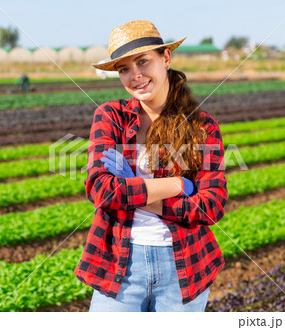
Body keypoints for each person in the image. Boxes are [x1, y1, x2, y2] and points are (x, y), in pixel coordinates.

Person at [74, 19, 229, 312]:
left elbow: (212, 206)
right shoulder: (111, 117)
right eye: (124, 68)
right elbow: (102, 192)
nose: (135, 76)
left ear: (166, 58)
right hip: (119, 263)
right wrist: (179, 185)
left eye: (143, 61)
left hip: (184, 265)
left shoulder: (202, 126)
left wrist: (133, 187)